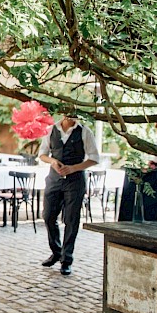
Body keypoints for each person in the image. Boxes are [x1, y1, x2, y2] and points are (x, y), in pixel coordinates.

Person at [38, 112, 100, 276]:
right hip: (54, 178)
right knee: (48, 215)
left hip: (75, 180)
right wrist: (52, 161)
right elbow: (42, 154)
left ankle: (67, 260)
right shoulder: (51, 130)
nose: (71, 116)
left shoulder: (85, 131)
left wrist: (74, 168)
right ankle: (56, 251)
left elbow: (94, 158)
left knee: (71, 220)